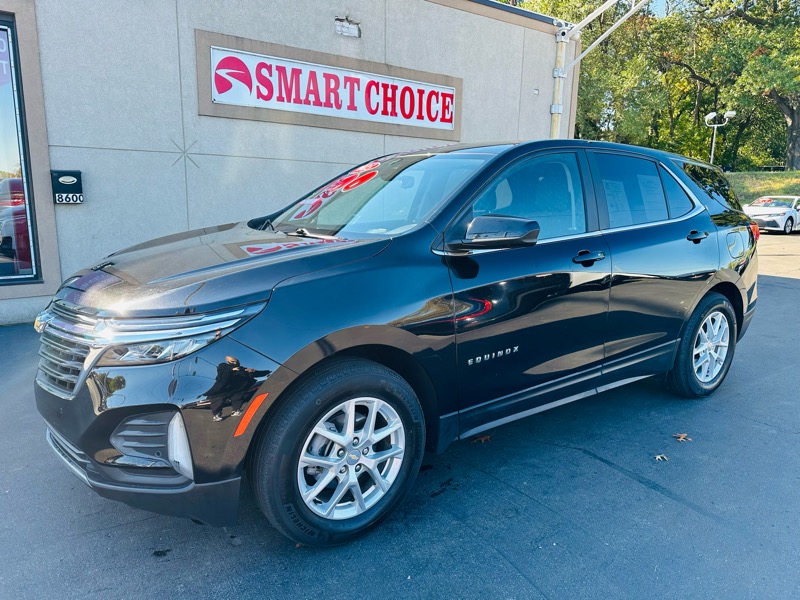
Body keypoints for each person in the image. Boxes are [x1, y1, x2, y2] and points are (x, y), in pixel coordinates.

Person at [206, 356, 271, 421]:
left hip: (237, 388)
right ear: (228, 361)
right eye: (232, 361)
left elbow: (257, 373)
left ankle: (236, 410)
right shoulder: (224, 366)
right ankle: (216, 414)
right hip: (224, 388)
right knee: (218, 399)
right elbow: (221, 375)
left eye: (236, 361)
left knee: (238, 397)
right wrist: (231, 370)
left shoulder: (242, 369)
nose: (235, 363)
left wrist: (263, 371)